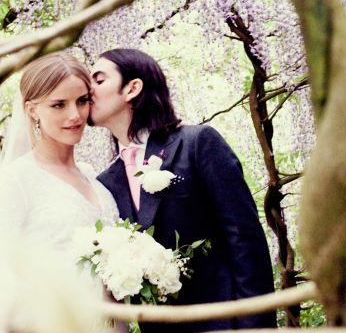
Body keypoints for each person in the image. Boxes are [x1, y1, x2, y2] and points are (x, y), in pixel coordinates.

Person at [90, 48, 277, 332]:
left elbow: (245, 239)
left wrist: (255, 326)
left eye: (99, 79)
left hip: (226, 322)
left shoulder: (197, 143)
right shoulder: (106, 182)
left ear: (132, 88)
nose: (88, 89)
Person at [0, 52, 119, 254]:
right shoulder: (17, 179)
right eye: (59, 105)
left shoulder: (90, 174)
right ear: (32, 110)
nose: (75, 115)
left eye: (82, 101)